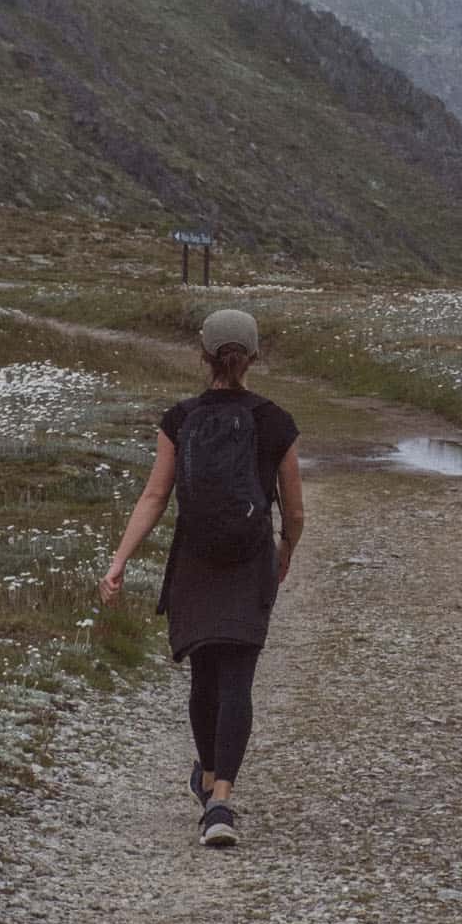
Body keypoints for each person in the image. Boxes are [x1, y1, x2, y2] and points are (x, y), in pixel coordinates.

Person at [99, 307, 303, 848]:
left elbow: (155, 496)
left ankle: (209, 779)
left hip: (194, 562)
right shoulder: (276, 421)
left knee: (204, 676)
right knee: (238, 678)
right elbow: (296, 511)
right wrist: (284, 550)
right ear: (254, 357)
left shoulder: (180, 418)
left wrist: (119, 561)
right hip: (249, 561)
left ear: (203, 355)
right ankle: (220, 803)